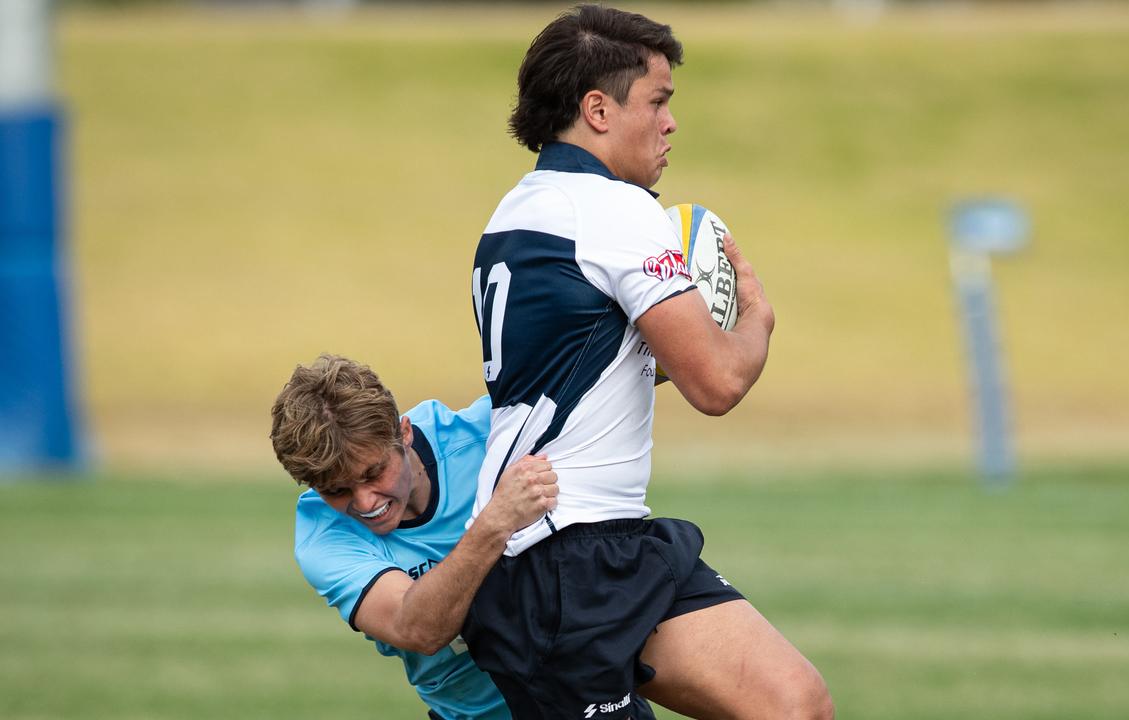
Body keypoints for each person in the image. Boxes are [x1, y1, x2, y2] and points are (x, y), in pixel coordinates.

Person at [465, 5, 834, 719]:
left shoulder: (517, 212)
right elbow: (717, 382)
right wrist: (755, 323)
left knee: (795, 703)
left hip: (607, 546)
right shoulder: (614, 211)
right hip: (560, 563)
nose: (671, 123)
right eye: (658, 102)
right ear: (598, 110)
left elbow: (582, 361)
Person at [271, 355, 662, 720]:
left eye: (373, 474)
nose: (364, 502)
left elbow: (602, 386)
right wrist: (496, 522)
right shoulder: (323, 533)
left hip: (593, 696)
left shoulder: (485, 435)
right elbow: (417, 629)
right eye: (336, 490)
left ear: (403, 433)